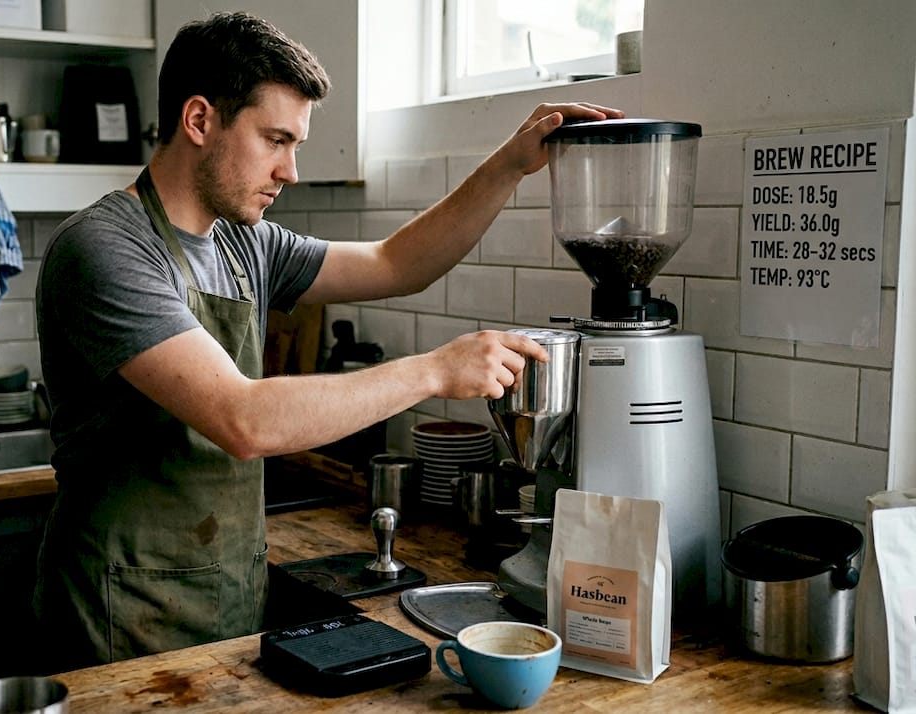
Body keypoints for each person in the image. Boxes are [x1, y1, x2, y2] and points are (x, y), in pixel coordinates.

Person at [33, 10, 622, 669]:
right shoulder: (106, 250)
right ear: (199, 121)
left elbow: (398, 263)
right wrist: (432, 371)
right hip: (121, 614)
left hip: (225, 594)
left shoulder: (241, 242)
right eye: (275, 139)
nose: (289, 170)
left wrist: (509, 165)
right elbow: (243, 419)